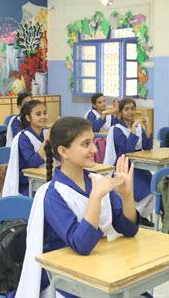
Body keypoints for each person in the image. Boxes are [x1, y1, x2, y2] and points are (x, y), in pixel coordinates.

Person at [13, 117, 139, 297]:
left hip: (101, 267)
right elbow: (82, 245)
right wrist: (95, 198)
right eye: (86, 144)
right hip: (65, 280)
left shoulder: (97, 181)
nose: (95, 150)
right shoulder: (52, 194)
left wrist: (127, 196)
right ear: (63, 151)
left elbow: (128, 229)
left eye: (93, 142)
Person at [103, 98, 154, 222]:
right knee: (144, 191)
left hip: (138, 167)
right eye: (126, 109)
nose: (130, 112)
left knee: (156, 186)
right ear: (120, 112)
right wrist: (132, 131)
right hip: (123, 168)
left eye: (132, 109)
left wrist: (147, 127)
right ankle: (133, 217)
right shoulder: (116, 129)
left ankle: (139, 216)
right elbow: (125, 151)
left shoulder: (137, 127)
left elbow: (147, 147)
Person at [3, 100, 48, 197]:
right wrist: (46, 142)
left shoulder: (45, 133)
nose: (43, 117)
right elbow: (32, 162)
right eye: (38, 114)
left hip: (42, 177)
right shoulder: (24, 137)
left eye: (45, 113)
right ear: (28, 117)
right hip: (26, 183)